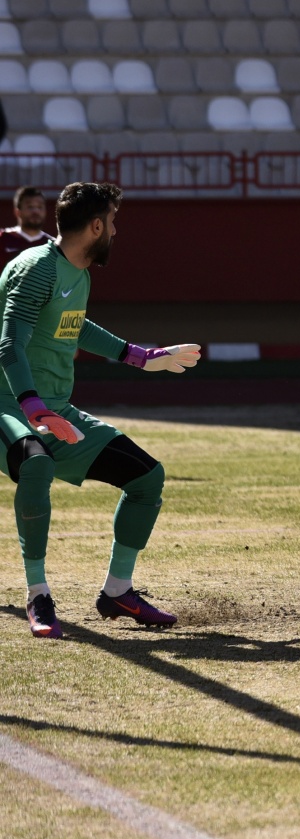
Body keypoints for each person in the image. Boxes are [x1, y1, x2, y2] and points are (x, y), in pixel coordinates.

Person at [0, 182, 201, 639]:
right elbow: (9, 343)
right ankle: (37, 594)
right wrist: (33, 408)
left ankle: (118, 591)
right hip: (8, 406)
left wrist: (141, 356)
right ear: (95, 226)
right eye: (112, 221)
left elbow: (75, 326)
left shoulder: (78, 273)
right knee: (36, 465)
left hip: (55, 410)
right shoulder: (35, 269)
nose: (115, 230)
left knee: (147, 477)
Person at [1, 187, 53, 269]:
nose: (36, 211)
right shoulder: (3, 238)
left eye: (40, 207)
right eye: (30, 207)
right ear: (17, 212)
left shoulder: (53, 244)